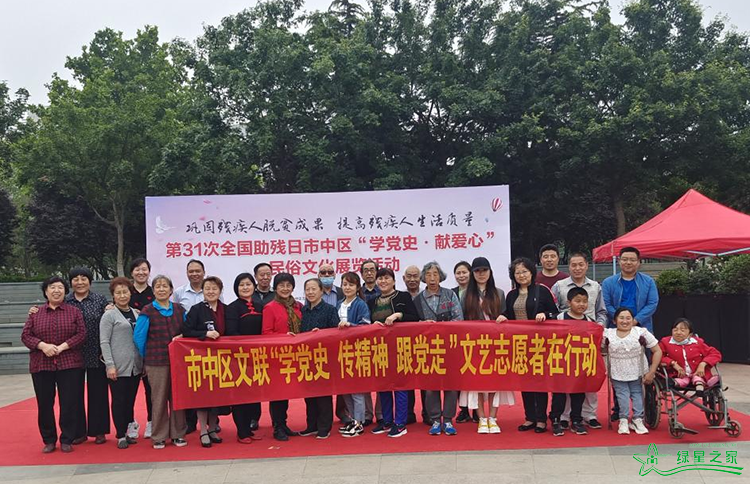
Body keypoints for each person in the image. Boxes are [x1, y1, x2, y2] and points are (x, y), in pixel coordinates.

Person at [22, 276, 86, 454]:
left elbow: (81, 334)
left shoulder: (74, 312)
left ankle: (67, 438)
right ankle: (49, 439)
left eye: (60, 287)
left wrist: (62, 347)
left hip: (69, 363)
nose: (56, 291)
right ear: (46, 291)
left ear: (65, 292)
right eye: (52, 287)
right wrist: (43, 346)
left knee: (69, 403)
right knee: (44, 403)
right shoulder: (35, 313)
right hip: (42, 364)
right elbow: (26, 335)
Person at [498, 257, 558, 434]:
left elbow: (555, 313)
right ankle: (529, 417)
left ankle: (541, 419)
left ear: (532, 273)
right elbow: (509, 314)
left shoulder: (542, 290)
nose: (521, 275)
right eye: (517, 272)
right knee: (525, 382)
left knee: (539, 382)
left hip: (539, 345)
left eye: (524, 271)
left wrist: (544, 314)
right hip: (520, 345)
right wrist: (503, 316)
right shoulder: (511, 295)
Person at [550, 252, 607, 430]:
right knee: (565, 380)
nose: (577, 268)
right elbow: (553, 310)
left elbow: (601, 312)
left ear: (586, 265)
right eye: (573, 265)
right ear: (569, 267)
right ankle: (564, 417)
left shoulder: (596, 286)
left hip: (588, 340)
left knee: (587, 378)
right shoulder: (559, 286)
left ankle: (589, 415)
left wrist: (598, 329)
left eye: (581, 264)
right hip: (565, 343)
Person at [133, 275, 188, 449]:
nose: (162, 289)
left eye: (165, 286)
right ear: (153, 290)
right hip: (156, 362)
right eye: (158, 286)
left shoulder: (179, 309)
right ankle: (159, 436)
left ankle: (178, 434)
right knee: (159, 398)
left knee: (178, 398)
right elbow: (139, 337)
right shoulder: (147, 311)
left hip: (178, 362)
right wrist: (147, 357)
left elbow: (188, 331)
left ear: (171, 290)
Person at [460, 257, 511, 434]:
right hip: (474, 344)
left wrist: (504, 317)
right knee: (478, 383)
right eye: (477, 271)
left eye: (484, 270)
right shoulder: (466, 295)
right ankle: (482, 417)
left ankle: (493, 417)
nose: (481, 274)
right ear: (473, 274)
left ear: (490, 272)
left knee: (495, 381)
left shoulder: (499, 293)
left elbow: (506, 315)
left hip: (495, 344)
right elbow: (462, 320)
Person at [368, 267, 420, 438]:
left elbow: (415, 317)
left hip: (400, 348)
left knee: (400, 386)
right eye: (380, 278)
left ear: (394, 281)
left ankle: (400, 423)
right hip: (380, 349)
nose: (383, 281)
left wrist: (398, 315)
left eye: (386, 278)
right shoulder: (373, 301)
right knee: (383, 386)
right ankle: (387, 420)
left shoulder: (403, 297)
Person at [416, 262, 463, 436]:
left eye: (435, 274)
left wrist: (442, 328)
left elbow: (458, 319)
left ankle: (448, 420)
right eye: (428, 274)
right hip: (428, 350)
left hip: (449, 347)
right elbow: (413, 325)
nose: (432, 278)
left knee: (451, 385)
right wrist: (422, 324)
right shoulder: (418, 299)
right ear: (424, 278)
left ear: (440, 276)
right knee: (430, 386)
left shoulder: (450, 295)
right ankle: (435, 419)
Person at [65, 267, 110, 445]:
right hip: (72, 354)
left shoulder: (99, 300)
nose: (80, 282)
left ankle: (99, 431)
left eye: (84, 278)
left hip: (96, 353)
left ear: (90, 282)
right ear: (71, 282)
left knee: (98, 393)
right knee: (73, 394)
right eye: (76, 279)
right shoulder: (65, 301)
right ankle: (78, 432)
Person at [182, 276, 226, 448]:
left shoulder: (225, 309)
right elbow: (187, 331)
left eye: (214, 288)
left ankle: (213, 428)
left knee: (217, 397)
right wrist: (205, 334)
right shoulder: (196, 309)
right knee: (203, 396)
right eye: (207, 288)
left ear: (220, 291)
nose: (211, 291)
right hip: (202, 359)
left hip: (221, 359)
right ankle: (203, 431)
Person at [604, 307, 662, 435]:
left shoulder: (641, 332)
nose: (625, 321)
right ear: (614, 320)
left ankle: (637, 419)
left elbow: (657, 350)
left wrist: (652, 371)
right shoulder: (608, 334)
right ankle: (623, 419)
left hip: (638, 370)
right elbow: (599, 348)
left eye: (628, 318)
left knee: (637, 394)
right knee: (622, 395)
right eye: (621, 318)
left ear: (633, 320)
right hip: (617, 370)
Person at [100, 277, 142, 449]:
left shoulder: (137, 313)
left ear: (130, 293)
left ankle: (128, 430)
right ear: (113, 295)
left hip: (135, 366)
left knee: (130, 401)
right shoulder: (109, 315)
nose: (122, 295)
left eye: (125, 292)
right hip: (117, 366)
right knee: (119, 400)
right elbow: (104, 341)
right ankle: (120, 434)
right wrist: (109, 365)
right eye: (118, 293)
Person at [262, 272, 303, 441]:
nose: (285, 289)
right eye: (281, 286)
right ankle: (277, 426)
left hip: (296, 356)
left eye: (288, 285)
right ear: (275, 288)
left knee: (287, 392)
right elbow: (266, 333)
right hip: (277, 357)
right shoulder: (270, 307)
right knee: (277, 393)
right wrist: (284, 337)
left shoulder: (298, 306)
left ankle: (283, 424)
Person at [297, 278, 339, 439]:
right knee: (309, 395)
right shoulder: (303, 311)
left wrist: (321, 334)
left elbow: (335, 333)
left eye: (314, 289)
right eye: (307, 289)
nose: (310, 292)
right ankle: (312, 425)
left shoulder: (329, 310)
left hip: (323, 358)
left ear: (321, 291)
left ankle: (324, 427)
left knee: (323, 395)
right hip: (306, 358)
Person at [550, 287, 593, 437]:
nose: (581, 304)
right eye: (577, 301)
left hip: (580, 365)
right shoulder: (559, 318)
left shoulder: (590, 321)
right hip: (561, 364)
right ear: (569, 302)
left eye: (584, 301)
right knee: (559, 395)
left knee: (578, 394)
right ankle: (556, 420)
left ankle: (576, 420)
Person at [225, 273, 263, 443]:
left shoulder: (260, 306)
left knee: (254, 394)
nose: (245, 287)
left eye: (248, 284)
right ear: (236, 288)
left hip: (258, 357)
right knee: (241, 395)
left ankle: (250, 428)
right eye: (241, 285)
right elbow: (231, 332)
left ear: (254, 286)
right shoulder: (232, 308)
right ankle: (242, 431)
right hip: (239, 357)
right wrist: (246, 347)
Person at [336, 272, 372, 438]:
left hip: (357, 352)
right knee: (345, 390)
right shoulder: (338, 304)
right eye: (345, 284)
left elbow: (366, 327)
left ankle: (359, 423)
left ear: (358, 287)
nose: (347, 287)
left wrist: (350, 325)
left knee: (357, 391)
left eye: (351, 285)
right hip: (340, 353)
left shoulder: (361, 305)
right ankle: (352, 420)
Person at [126, 257, 154, 440]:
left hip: (151, 347)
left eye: (144, 269)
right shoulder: (126, 292)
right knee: (129, 390)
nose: (141, 272)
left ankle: (152, 422)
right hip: (128, 348)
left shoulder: (155, 292)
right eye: (137, 269)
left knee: (151, 390)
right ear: (132, 272)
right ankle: (130, 423)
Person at [601, 247, 659, 332]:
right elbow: (606, 304)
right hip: (615, 327)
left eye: (632, 260)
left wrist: (636, 320)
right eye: (625, 259)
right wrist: (619, 319)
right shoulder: (608, 282)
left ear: (638, 262)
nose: (628, 262)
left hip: (642, 327)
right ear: (619, 261)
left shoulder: (649, 281)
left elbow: (652, 303)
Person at [658, 318, 722, 393]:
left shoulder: (697, 342)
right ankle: (675, 382)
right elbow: (658, 356)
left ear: (690, 334)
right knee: (680, 381)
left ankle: (701, 387)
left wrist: (703, 363)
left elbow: (715, 354)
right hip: (678, 375)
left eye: (682, 330)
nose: (678, 332)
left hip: (698, 374)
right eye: (675, 330)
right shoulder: (665, 342)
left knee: (698, 379)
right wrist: (673, 363)